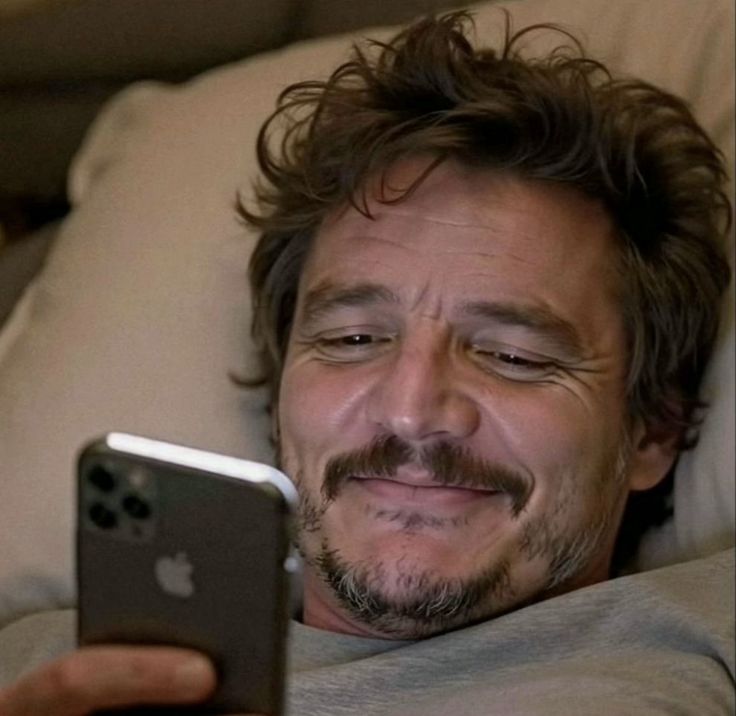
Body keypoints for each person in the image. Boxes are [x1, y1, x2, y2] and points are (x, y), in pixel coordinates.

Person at [0, 10, 732, 715]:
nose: (410, 410)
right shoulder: (38, 666)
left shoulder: (704, 639)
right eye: (353, 340)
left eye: (512, 355)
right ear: (282, 390)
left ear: (654, 429)